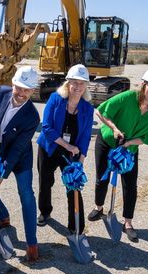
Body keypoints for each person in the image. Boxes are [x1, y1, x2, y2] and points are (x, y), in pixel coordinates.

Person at [88, 67, 148, 242]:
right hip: (108, 141)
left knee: (130, 185)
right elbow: (100, 111)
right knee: (102, 178)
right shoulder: (127, 97)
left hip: (128, 148)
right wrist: (115, 129)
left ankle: (128, 223)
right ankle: (99, 207)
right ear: (143, 85)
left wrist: (129, 143)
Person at [0, 66, 40, 263]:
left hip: (19, 157)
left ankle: (31, 242)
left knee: (26, 195)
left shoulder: (32, 116)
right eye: (19, 88)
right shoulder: (2, 92)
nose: (21, 94)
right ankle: (2, 217)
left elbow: (16, 150)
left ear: (33, 91)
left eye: (27, 90)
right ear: (13, 84)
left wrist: (1, 176)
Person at [36, 64, 94, 235]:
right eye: (74, 82)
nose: (78, 87)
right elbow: (46, 127)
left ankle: (76, 227)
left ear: (85, 87)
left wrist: (81, 161)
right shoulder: (56, 99)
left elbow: (85, 136)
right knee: (45, 183)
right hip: (49, 148)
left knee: (73, 186)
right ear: (67, 84)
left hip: (71, 154)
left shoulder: (88, 108)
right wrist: (67, 145)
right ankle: (45, 212)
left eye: (82, 83)